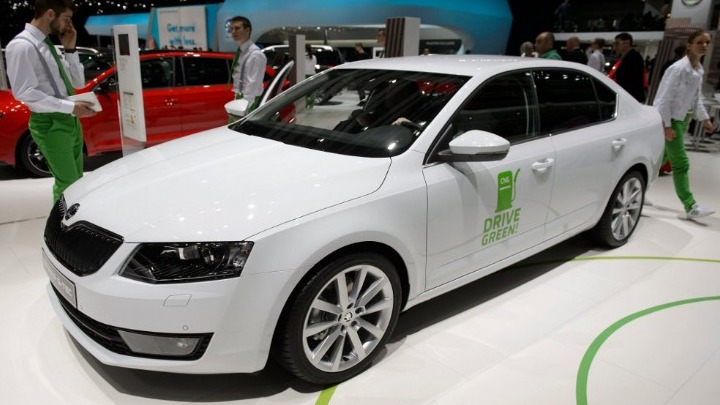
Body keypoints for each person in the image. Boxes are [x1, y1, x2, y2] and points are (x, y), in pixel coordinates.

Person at [5, 0, 96, 202]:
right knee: (68, 184)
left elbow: (76, 82)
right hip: (50, 122)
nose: (69, 25)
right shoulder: (22, 46)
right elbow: (24, 92)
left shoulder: (47, 44)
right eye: (66, 18)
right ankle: (60, 222)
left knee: (76, 182)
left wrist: (70, 50)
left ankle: (74, 219)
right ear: (50, 14)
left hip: (69, 119)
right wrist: (70, 107)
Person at [652, 30, 715, 219]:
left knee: (659, 160)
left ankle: (639, 190)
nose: (704, 46)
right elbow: (664, 98)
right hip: (672, 120)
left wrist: (705, 118)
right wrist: (666, 125)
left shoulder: (698, 70)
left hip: (682, 119)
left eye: (707, 42)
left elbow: (696, 98)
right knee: (681, 163)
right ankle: (690, 205)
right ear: (689, 45)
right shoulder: (678, 69)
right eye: (699, 42)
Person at [227, 15, 266, 120]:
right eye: (231, 29)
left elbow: (253, 83)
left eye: (237, 28)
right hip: (240, 97)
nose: (233, 32)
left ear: (247, 30)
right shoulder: (241, 52)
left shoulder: (255, 55)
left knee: (241, 129)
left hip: (248, 101)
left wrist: (245, 105)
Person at [610, 32, 645, 102]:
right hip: (626, 95)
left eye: (617, 43)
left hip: (631, 96)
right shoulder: (626, 56)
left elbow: (631, 80)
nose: (615, 46)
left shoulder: (634, 57)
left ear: (627, 43)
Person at [304, 43, 317, 108]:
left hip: (305, 74)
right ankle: (311, 104)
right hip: (313, 74)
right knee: (312, 90)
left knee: (305, 90)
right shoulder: (314, 57)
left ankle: (306, 103)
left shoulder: (303, 56)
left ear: (305, 49)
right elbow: (314, 65)